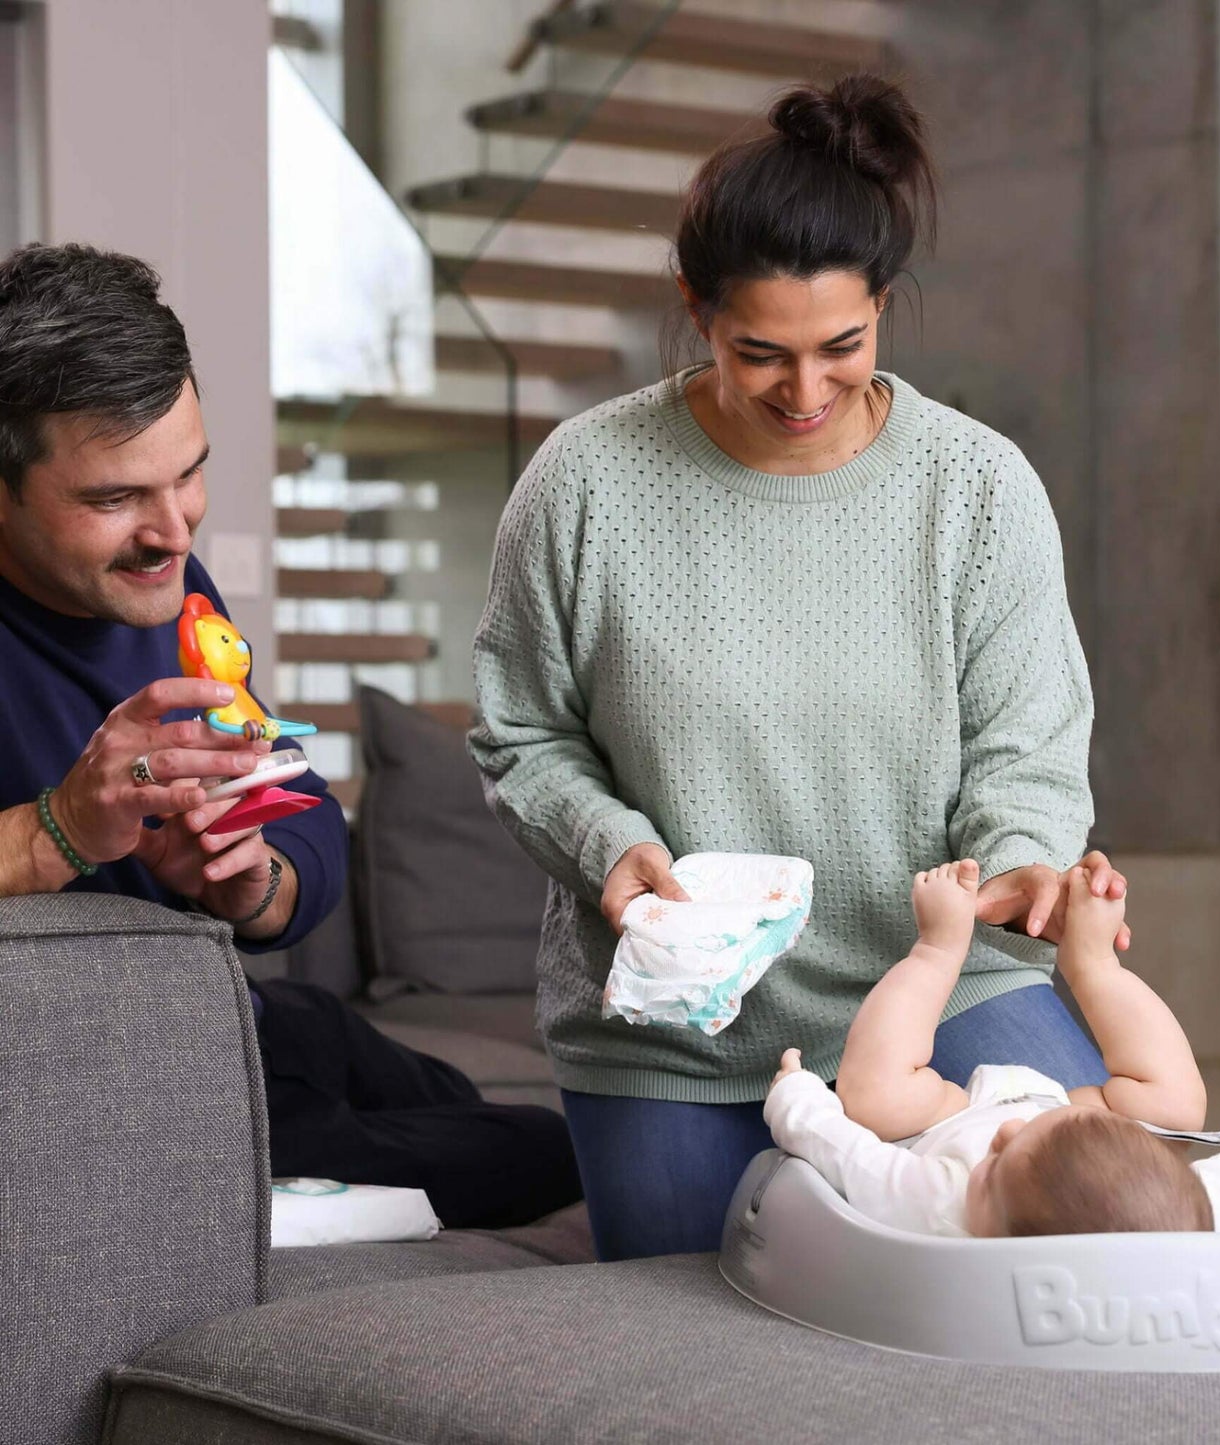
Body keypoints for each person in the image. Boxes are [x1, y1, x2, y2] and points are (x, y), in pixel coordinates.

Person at [471, 73, 1129, 1261]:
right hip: (679, 1023)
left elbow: (1025, 741)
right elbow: (521, 731)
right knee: (700, 1343)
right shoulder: (583, 480)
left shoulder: (975, 487)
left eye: (842, 346)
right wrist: (603, 842)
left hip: (940, 982)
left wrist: (1023, 860)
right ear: (693, 306)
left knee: (1091, 1246)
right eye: (758, 353)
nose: (805, 392)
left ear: (884, 301)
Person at [0, 241, 581, 1229]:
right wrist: (52, 829)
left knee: (470, 1091)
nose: (175, 532)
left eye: (188, 474)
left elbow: (305, 812)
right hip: (135, 1079)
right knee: (559, 1154)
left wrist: (250, 877)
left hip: (257, 1014)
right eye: (114, 498)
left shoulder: (168, 588)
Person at [766, 862, 1220, 1236]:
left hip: (946, 1116)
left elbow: (848, 1155)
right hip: (1063, 1106)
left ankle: (936, 947)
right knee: (1177, 1106)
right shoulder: (1187, 1219)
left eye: (992, 1170)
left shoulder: (938, 1200)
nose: (1002, 1135)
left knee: (872, 1101)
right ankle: (1093, 965)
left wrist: (798, 1098)